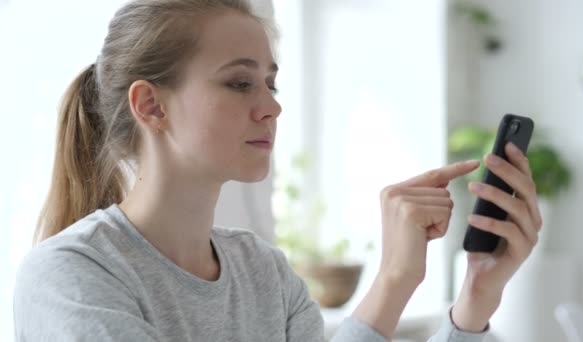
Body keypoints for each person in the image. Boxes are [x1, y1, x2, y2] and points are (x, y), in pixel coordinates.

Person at [13, 0, 543, 341]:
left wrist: (475, 298)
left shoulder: (262, 272)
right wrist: (392, 280)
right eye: (240, 83)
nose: (271, 106)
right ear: (151, 105)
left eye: (272, 83)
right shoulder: (71, 276)